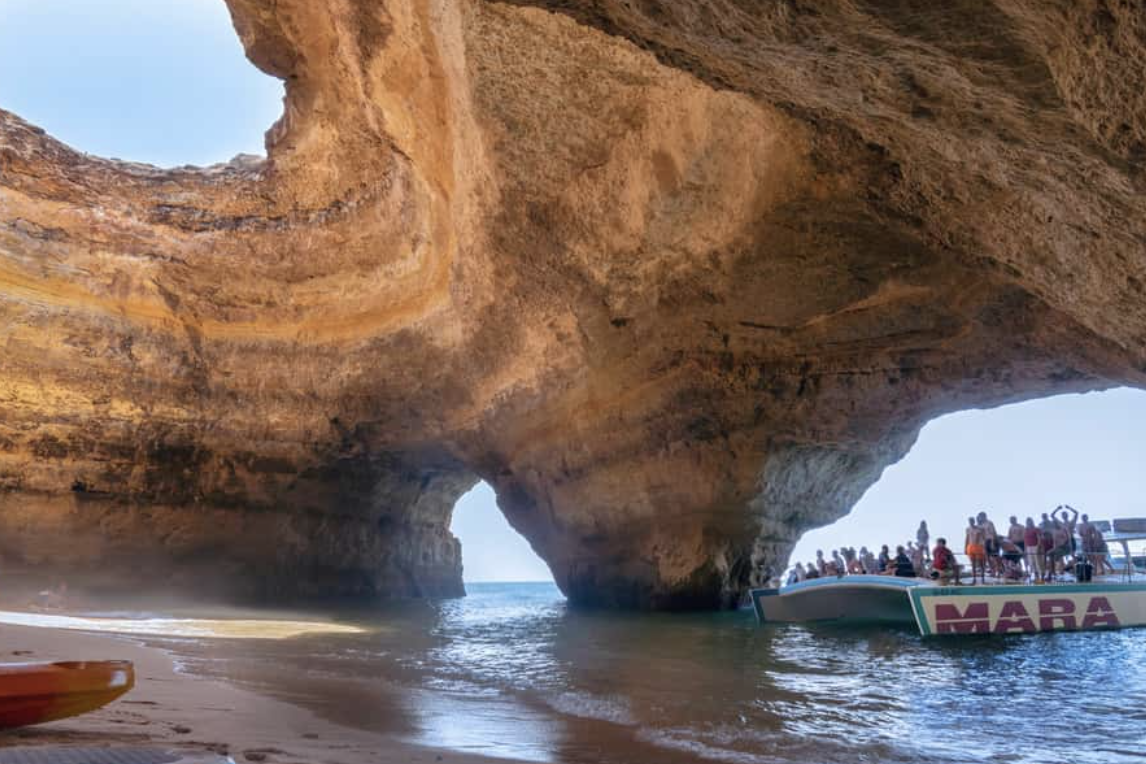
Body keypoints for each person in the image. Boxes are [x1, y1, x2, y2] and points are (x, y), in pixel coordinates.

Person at [978, 511, 1001, 577]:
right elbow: (981, 535)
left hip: (992, 540)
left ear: (984, 516)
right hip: (985, 542)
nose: (980, 518)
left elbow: (993, 532)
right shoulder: (981, 525)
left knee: (995, 557)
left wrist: (993, 542)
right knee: (987, 557)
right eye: (980, 517)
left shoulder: (989, 523)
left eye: (981, 516)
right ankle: (992, 571)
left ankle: (998, 571)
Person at [965, 516, 987, 584]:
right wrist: (965, 547)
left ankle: (983, 579)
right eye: (970, 521)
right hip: (970, 546)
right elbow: (967, 538)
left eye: (972, 521)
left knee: (981, 563)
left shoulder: (980, 529)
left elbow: (984, 538)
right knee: (973, 564)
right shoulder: (968, 529)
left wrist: (984, 547)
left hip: (979, 546)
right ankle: (974, 579)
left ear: (974, 521)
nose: (971, 522)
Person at [1023, 517, 1043, 581]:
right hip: (1028, 547)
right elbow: (1025, 539)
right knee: (1031, 562)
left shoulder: (1036, 529)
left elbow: (1039, 538)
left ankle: (1041, 576)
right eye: (1027, 521)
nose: (1028, 522)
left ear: (1032, 521)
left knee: (1038, 561)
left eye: (1029, 521)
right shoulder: (1026, 530)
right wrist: (1025, 548)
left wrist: (1039, 546)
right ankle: (1035, 575)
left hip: (1035, 546)